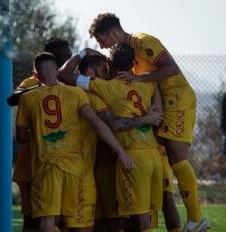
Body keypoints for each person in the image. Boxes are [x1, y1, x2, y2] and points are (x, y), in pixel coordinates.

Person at [87, 12, 210, 232]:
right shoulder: (127, 53)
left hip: (178, 99)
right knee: (168, 159)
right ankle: (191, 220)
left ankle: (196, 218)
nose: (104, 47)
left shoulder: (143, 41)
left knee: (177, 156)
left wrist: (140, 79)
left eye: (103, 41)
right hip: (163, 106)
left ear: (114, 33)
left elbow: (171, 67)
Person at [16, 52, 133, 232]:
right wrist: (120, 151)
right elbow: (97, 123)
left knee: (47, 222)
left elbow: (22, 137)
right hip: (75, 170)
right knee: (76, 224)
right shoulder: (76, 93)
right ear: (56, 71)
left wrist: (40, 132)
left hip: (46, 168)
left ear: (36, 75)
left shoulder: (27, 98)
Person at [59, 43, 163, 232]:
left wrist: (84, 52)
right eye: (104, 69)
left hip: (129, 156)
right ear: (133, 63)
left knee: (131, 218)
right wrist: (147, 117)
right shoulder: (147, 83)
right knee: (139, 217)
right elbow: (158, 115)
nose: (107, 72)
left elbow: (63, 74)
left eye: (108, 68)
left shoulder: (105, 87)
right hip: (152, 155)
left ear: (113, 64)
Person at [11, 38, 73, 232]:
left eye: (69, 57)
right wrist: (43, 86)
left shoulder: (69, 84)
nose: (66, 61)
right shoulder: (32, 81)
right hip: (31, 160)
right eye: (62, 57)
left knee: (64, 219)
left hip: (62, 163)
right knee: (32, 218)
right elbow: (12, 98)